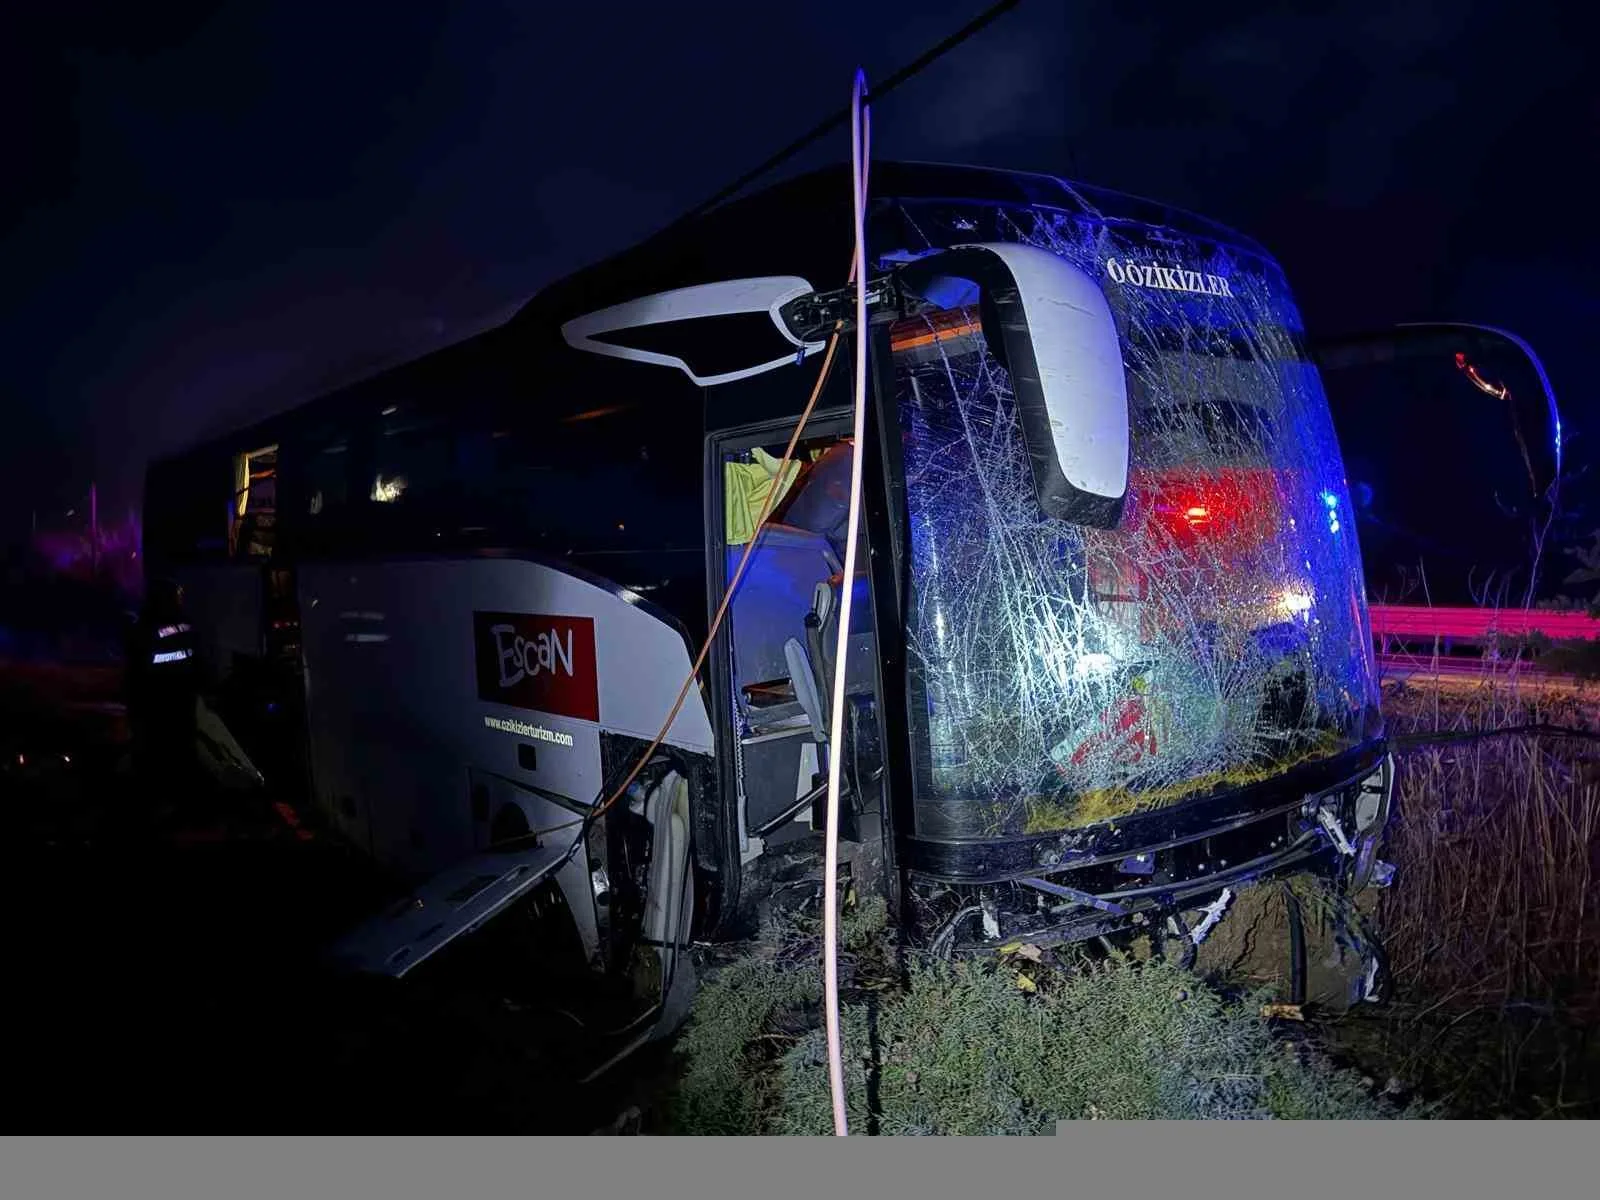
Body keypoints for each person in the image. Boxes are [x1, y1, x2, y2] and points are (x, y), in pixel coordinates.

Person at [123, 578, 202, 822]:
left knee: (157, 761)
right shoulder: (187, 624)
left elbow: (135, 674)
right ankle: (185, 808)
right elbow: (198, 663)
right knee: (182, 758)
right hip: (182, 705)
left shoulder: (144, 630)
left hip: (157, 709)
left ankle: (160, 811)